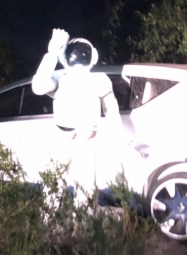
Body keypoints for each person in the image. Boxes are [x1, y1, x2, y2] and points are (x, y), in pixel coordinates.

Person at [31, 29, 123, 194]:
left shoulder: (92, 80)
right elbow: (38, 86)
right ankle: (57, 217)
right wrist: (51, 53)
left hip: (85, 137)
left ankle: (75, 217)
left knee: (81, 186)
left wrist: (52, 53)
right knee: (60, 184)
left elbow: (111, 111)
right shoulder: (89, 80)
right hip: (69, 136)